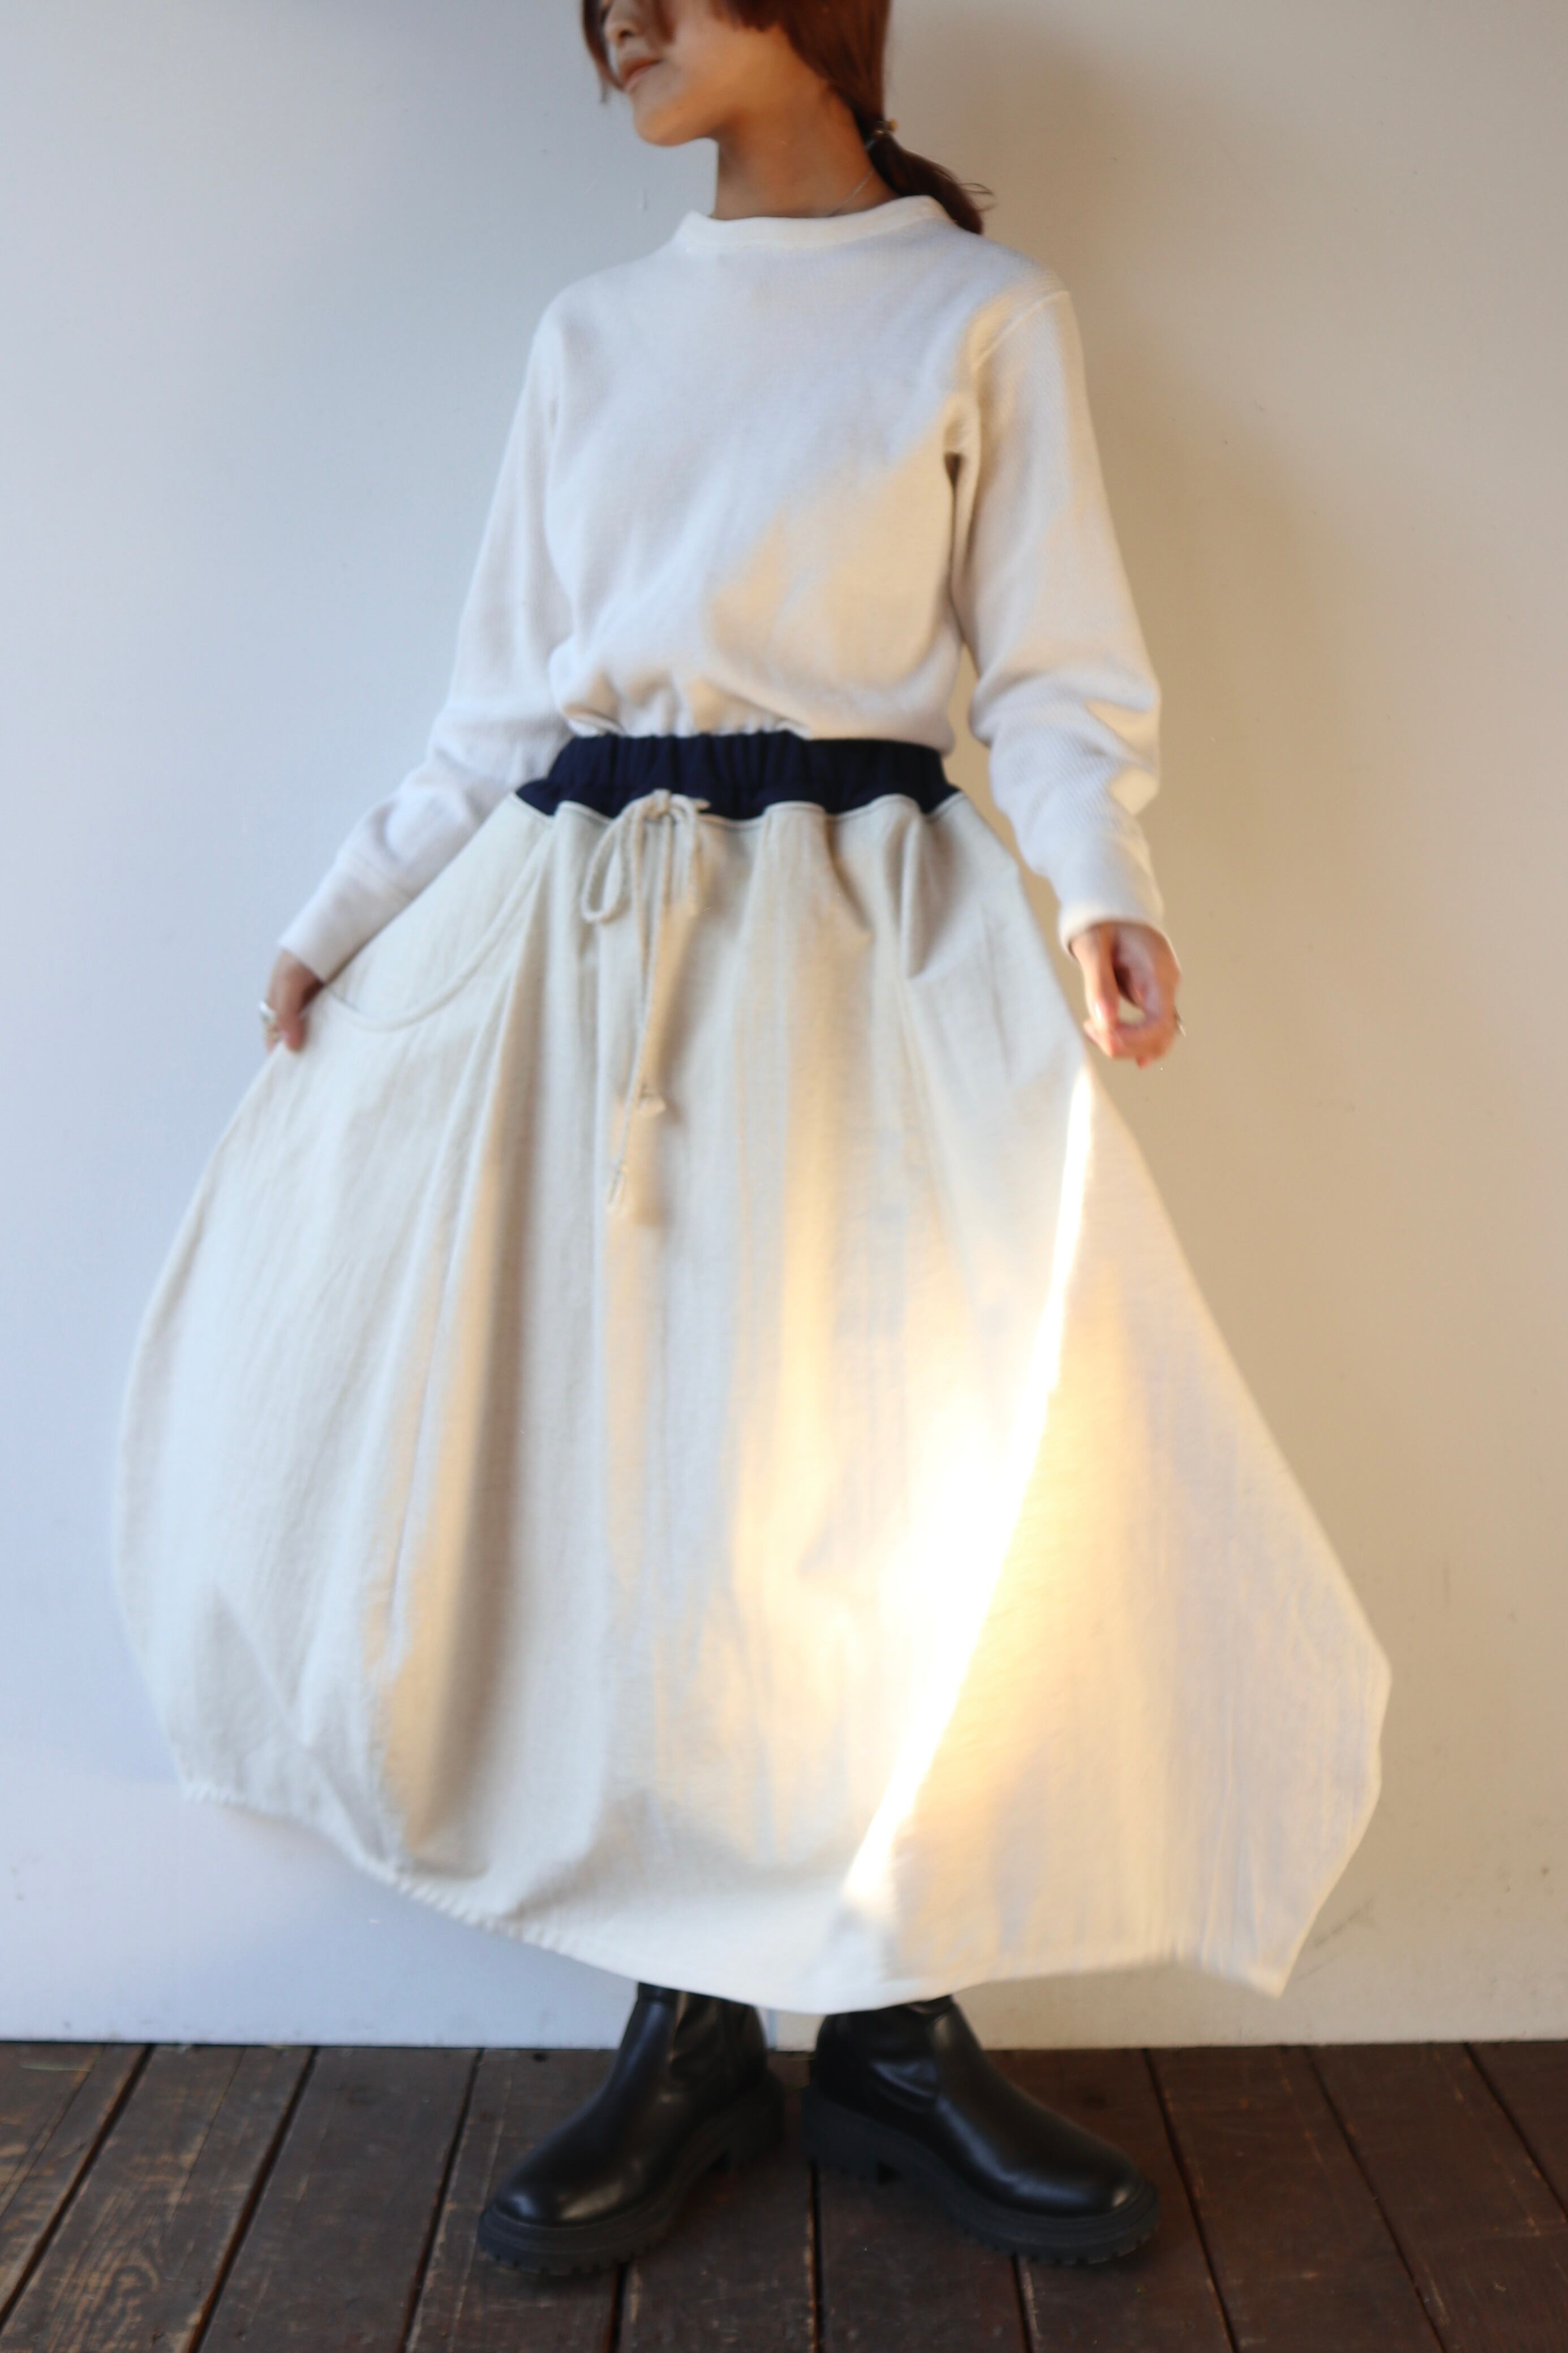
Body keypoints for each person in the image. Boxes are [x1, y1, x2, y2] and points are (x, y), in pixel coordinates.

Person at [113, 0, 1391, 2282]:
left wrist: (1101, 889)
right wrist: (334, 921)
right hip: (592, 970)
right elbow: (499, 712)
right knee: (638, 1491)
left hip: (872, 958)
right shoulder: (594, 337)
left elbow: (1050, 675)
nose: (615, 20)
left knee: (888, 1487)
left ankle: (889, 2030)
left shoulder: (981, 319)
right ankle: (691, 2028)